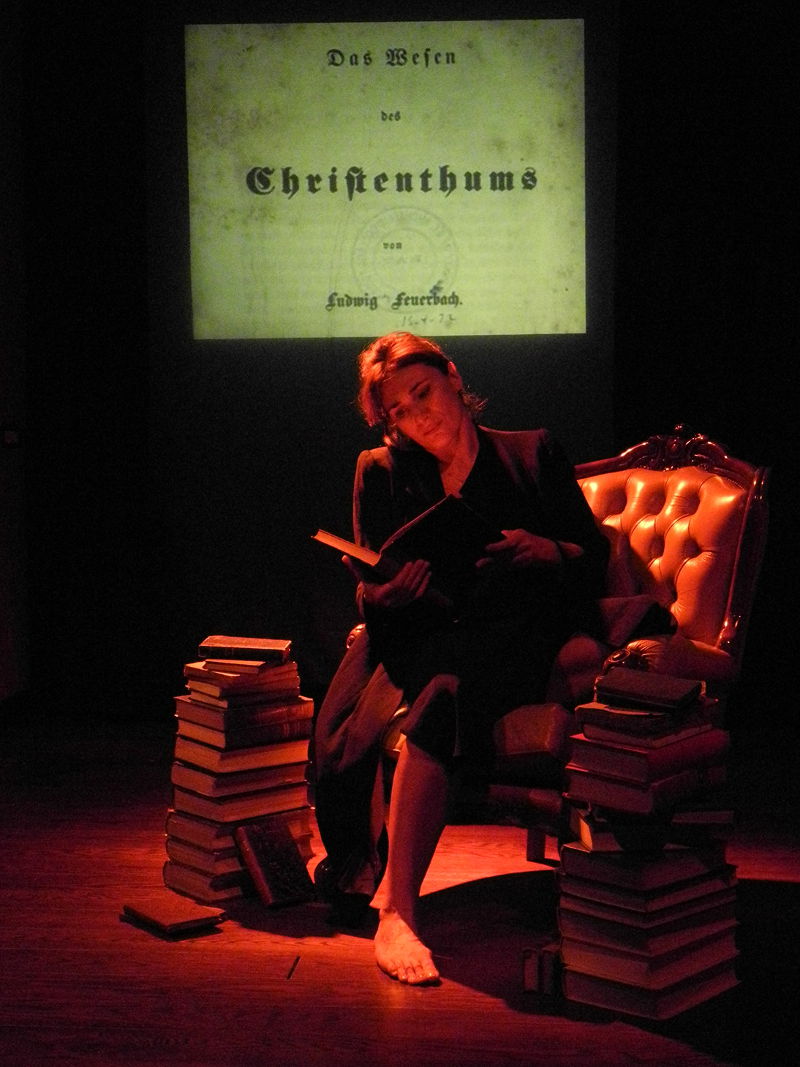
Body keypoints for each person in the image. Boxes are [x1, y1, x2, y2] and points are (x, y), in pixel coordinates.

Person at [312, 332, 609, 985]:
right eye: (398, 411)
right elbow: (371, 582)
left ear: (452, 376)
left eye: (423, 393)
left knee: (450, 693)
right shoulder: (380, 470)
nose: (418, 417)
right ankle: (385, 897)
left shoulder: (532, 451)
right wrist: (386, 593)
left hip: (519, 629)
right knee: (385, 711)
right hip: (423, 632)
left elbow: (593, 557)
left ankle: (396, 909)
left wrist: (546, 550)